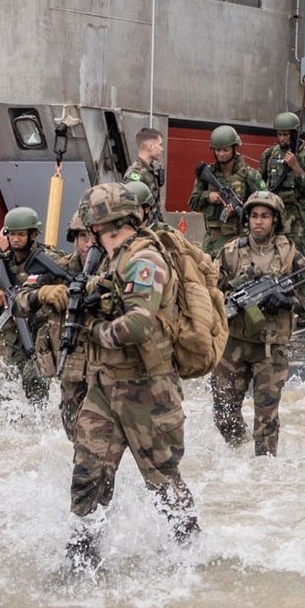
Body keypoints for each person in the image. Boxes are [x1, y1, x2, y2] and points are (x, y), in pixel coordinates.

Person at [65, 182, 196, 570]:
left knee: (162, 482)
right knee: (88, 471)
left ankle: (191, 551)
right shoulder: (111, 259)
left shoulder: (144, 259)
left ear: (100, 223)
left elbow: (138, 324)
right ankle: (81, 561)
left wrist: (95, 332)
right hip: (106, 386)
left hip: (148, 390)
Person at [211, 192, 305, 456]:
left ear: (275, 221)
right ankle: (238, 454)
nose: (258, 222)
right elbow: (208, 292)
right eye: (254, 216)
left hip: (271, 349)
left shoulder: (290, 256)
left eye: (265, 216)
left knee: (266, 421)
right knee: (224, 415)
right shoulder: (229, 253)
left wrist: (288, 302)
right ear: (247, 219)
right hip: (233, 345)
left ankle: (263, 470)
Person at [15, 202, 91, 440]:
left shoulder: (115, 269)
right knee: (74, 433)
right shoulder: (59, 268)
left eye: (92, 236)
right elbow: (18, 302)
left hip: (107, 366)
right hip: (72, 368)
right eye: (82, 236)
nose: (87, 244)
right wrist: (41, 294)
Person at [0, 206, 56, 406]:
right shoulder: (3, 263)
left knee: (34, 381)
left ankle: (42, 426)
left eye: (21, 234)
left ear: (33, 235)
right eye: (12, 234)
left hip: (41, 336)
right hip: (14, 340)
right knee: (9, 393)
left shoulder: (49, 260)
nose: (16, 239)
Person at [189, 125, 266, 258]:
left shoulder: (249, 175)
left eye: (226, 150)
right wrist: (209, 196)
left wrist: (243, 207)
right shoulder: (208, 174)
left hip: (240, 241)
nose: (222, 154)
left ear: (234, 149)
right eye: (218, 150)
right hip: (213, 243)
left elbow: (266, 202)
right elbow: (192, 202)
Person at [260, 112, 305, 256]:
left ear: (294, 134)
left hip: (297, 216)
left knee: (298, 257)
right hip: (275, 213)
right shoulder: (269, 154)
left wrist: (296, 168)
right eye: (279, 134)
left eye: (285, 135)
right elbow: (260, 183)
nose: (282, 138)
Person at [124, 126, 166, 199]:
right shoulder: (136, 173)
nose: (162, 149)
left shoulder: (150, 171)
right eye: (160, 145)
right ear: (150, 147)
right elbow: (131, 204)